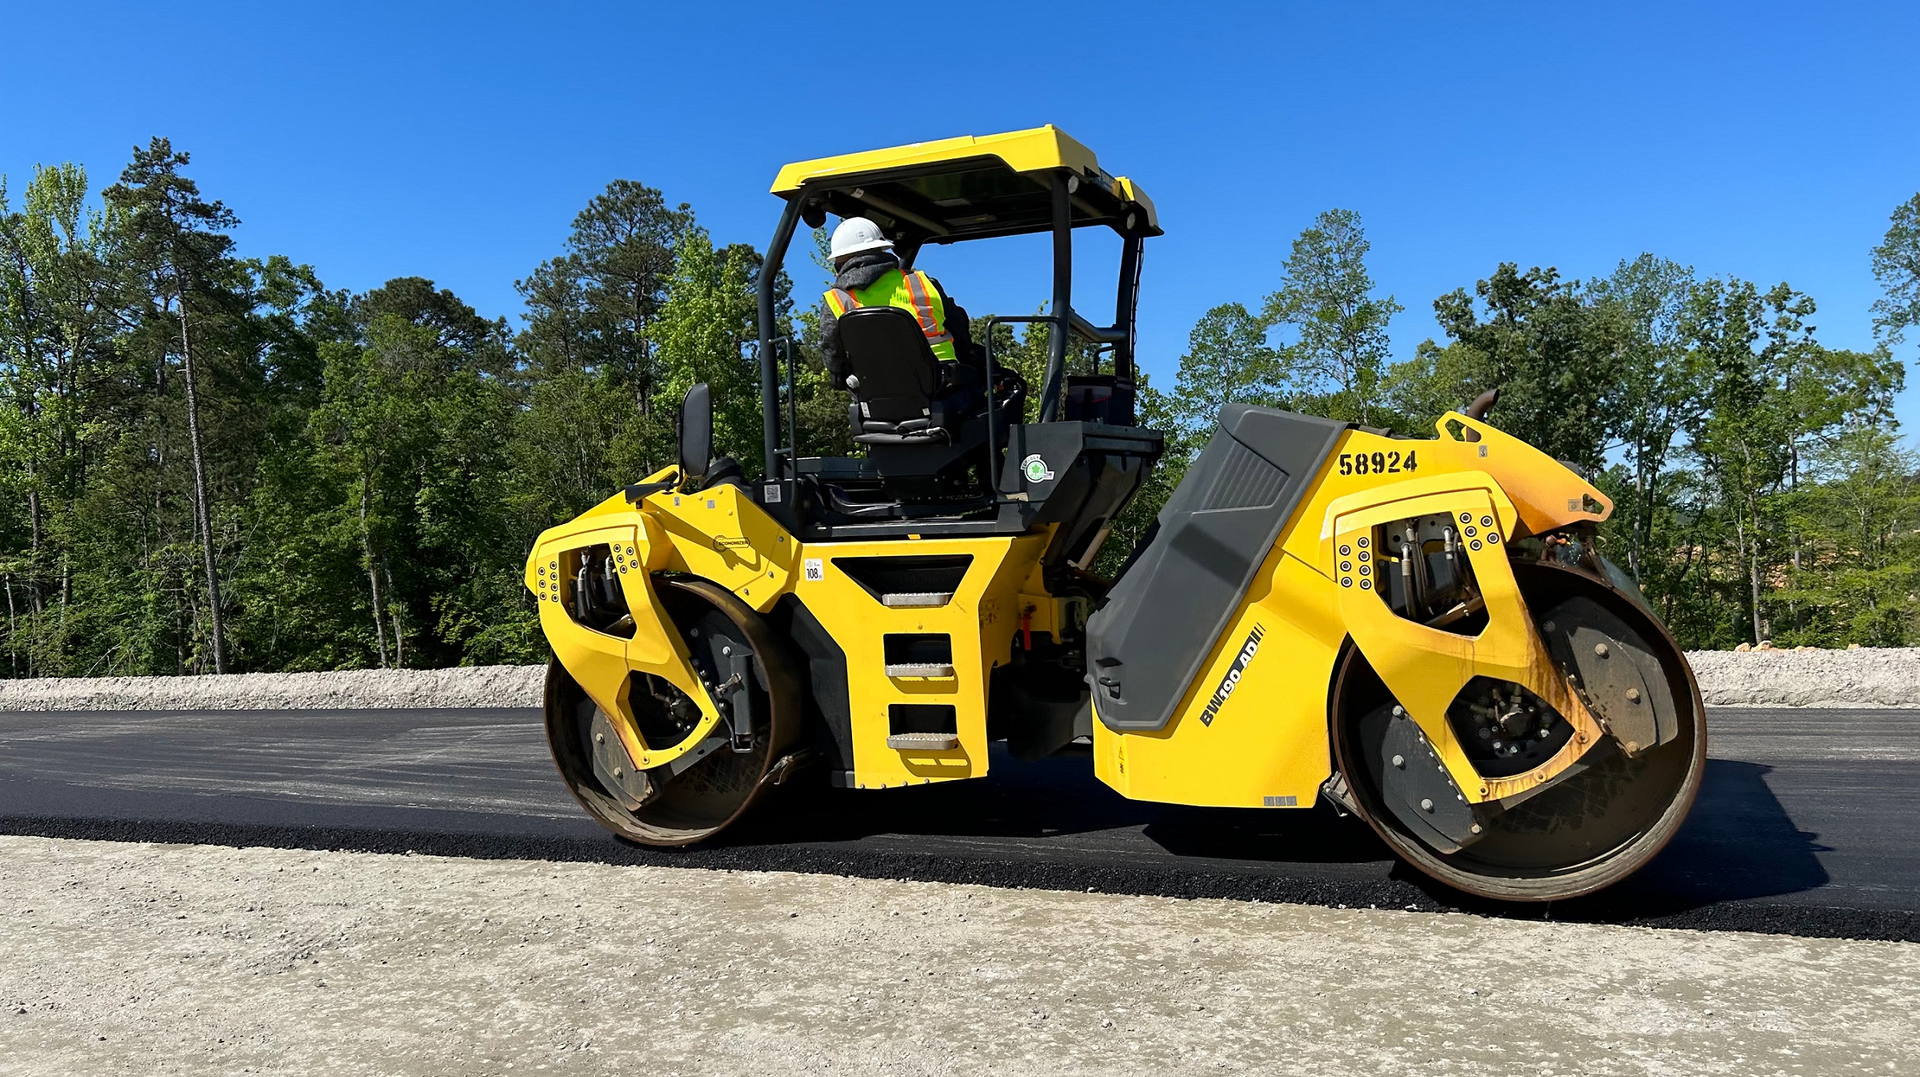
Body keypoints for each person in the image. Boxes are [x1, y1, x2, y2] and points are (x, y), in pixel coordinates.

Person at [819, 217, 975, 385]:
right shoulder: (923, 283)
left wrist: (839, 374)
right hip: (941, 383)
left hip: (876, 390)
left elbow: (831, 350)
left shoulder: (836, 300)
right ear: (881, 251)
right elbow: (958, 326)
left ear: (841, 263)